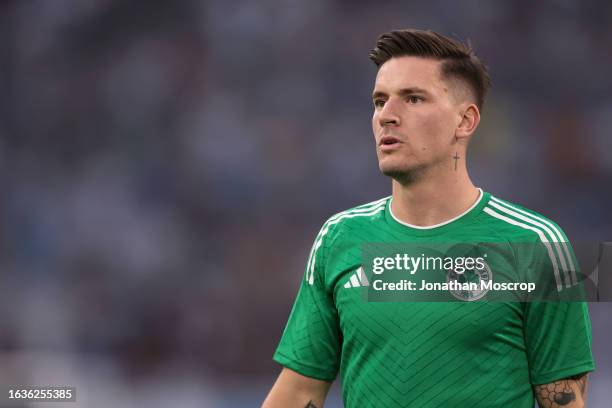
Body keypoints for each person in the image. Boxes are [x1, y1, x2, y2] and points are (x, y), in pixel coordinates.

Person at [261, 29, 594, 408]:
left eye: (413, 98)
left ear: (465, 121)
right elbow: (301, 390)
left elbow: (563, 400)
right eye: (379, 101)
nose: (387, 116)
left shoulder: (538, 246)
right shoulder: (339, 237)